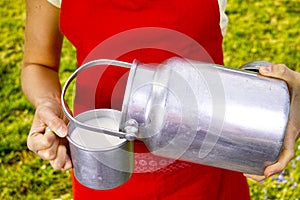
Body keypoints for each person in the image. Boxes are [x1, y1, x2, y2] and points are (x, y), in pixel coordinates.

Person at [21, 0, 300, 199]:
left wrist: (293, 96)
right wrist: (50, 104)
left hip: (207, 166)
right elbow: (38, 64)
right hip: (103, 165)